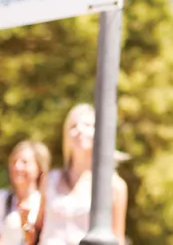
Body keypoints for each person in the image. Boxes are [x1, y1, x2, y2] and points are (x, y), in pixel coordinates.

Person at [40, 104, 128, 245]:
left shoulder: (114, 186)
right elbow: (37, 228)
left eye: (87, 125)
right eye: (73, 126)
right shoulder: (50, 179)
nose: (79, 130)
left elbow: (118, 239)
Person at [0, 140, 51, 245]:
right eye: (14, 161)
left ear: (39, 168)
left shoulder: (46, 201)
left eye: (24, 162)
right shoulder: (2, 198)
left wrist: (26, 226)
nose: (17, 167)